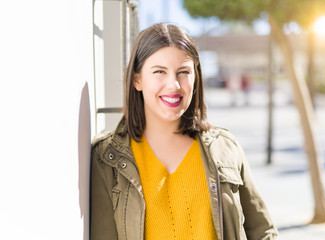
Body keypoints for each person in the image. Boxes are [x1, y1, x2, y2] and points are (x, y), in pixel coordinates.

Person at [90, 23, 278, 240]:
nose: (174, 85)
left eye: (183, 72)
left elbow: (263, 231)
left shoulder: (225, 148)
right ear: (137, 79)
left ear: (195, 77)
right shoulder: (106, 159)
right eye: (159, 72)